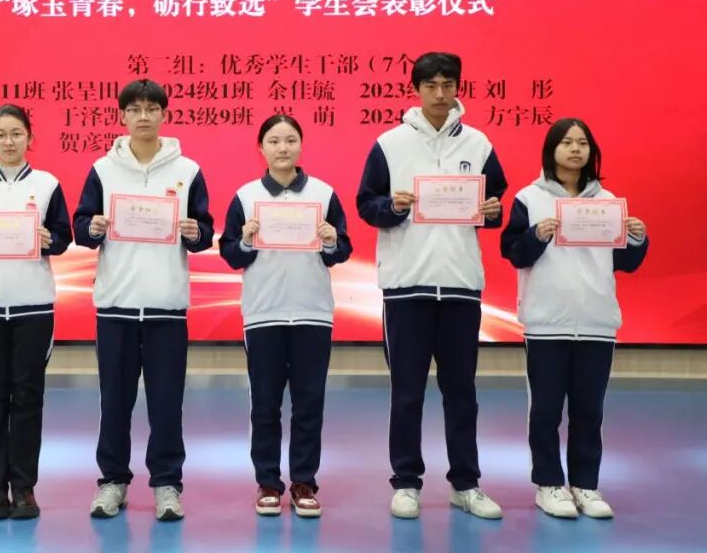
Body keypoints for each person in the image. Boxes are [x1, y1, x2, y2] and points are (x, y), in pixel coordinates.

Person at [355, 52, 507, 520]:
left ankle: (466, 484)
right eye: (431, 85)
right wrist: (393, 208)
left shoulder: (479, 144)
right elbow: (366, 203)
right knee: (407, 393)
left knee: (462, 393)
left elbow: (495, 203)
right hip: (407, 286)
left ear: (458, 87)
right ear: (416, 89)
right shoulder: (390, 144)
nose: (441, 94)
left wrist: (492, 213)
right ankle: (406, 483)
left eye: (448, 85)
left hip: (460, 284)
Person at [73, 79, 214, 521]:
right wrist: (93, 227)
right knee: (114, 401)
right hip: (115, 305)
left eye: (152, 108)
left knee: (166, 403)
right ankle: (112, 482)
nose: (144, 116)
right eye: (135, 109)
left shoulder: (188, 170)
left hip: (166, 307)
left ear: (164, 115)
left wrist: (195, 232)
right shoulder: (102, 170)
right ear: (122, 116)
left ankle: (167, 484)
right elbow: (80, 227)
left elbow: (205, 230)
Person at [500, 118, 648, 520]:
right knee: (545, 410)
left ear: (591, 152)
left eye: (583, 143)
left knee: (589, 412)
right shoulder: (529, 198)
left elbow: (624, 262)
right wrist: (536, 236)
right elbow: (513, 252)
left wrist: (637, 238)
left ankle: (585, 485)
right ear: (552, 150)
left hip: (597, 321)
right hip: (547, 323)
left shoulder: (608, 201)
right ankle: (549, 484)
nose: (575, 149)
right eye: (567, 142)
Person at [218, 114, 352, 518]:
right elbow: (230, 254)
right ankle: (268, 483)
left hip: (313, 313)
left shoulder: (324, 194)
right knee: (265, 404)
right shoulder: (246, 197)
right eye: (274, 141)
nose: (282, 148)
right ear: (261, 147)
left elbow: (342, 250)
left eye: (290, 140)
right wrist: (245, 240)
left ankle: (304, 482)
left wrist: (331, 241)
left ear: (301, 145)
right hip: (264, 313)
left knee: (309, 402)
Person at [0, 104, 73, 520]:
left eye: (16, 134)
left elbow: (63, 237)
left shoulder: (47, 184)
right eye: (1, 134)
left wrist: (48, 238)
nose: (9, 141)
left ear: (29, 139)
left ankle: (23, 487)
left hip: (33, 305)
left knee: (27, 396)